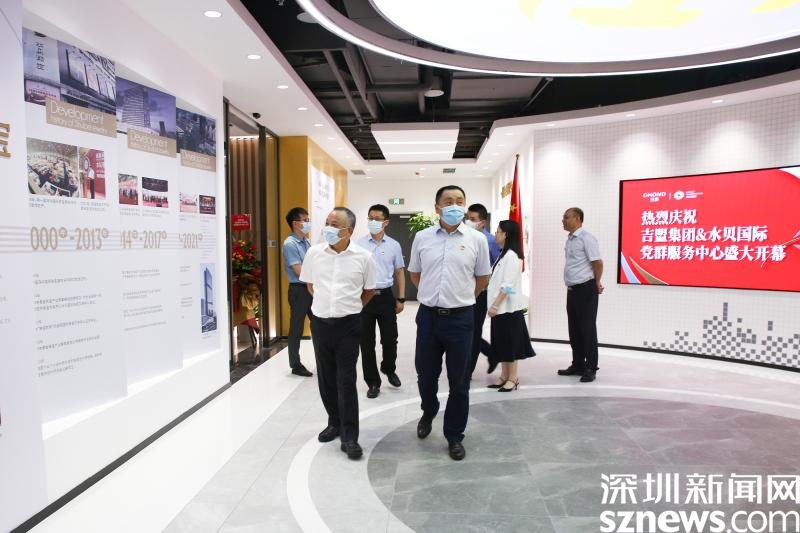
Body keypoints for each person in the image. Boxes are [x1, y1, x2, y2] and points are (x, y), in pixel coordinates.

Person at [408, 185, 491, 461]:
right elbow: (416, 274)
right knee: (425, 374)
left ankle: (454, 435)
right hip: (428, 317)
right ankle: (429, 410)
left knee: (459, 380)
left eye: (459, 201)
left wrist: (462, 298)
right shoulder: (422, 237)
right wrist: (432, 296)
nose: (454, 205)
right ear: (437, 208)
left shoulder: (477, 239)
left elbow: (482, 278)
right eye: (448, 201)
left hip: (461, 319)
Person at [300, 207, 376, 460]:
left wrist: (349, 307)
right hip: (321, 323)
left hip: (349, 326)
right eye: (327, 223)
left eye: (335, 224)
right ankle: (334, 422)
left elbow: (369, 290)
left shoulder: (364, 257)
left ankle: (349, 435)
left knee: (346, 379)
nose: (328, 228)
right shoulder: (314, 253)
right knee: (326, 377)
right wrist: (326, 305)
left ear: (349, 231)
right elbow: (310, 285)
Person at [356, 204, 405, 399]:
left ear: (386, 222)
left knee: (390, 338)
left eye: (377, 219)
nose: (373, 222)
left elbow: (399, 272)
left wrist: (401, 298)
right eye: (370, 218)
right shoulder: (358, 244)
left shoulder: (394, 245)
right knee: (366, 342)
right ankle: (373, 382)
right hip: (365, 297)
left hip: (385, 296)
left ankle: (389, 368)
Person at [486, 220, 535, 391]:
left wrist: (495, 306)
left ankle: (513, 378)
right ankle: (504, 376)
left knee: (510, 344)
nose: (496, 234)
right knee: (502, 343)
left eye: (498, 231)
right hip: (500, 310)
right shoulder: (503, 255)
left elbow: (507, 285)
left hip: (507, 309)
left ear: (506, 234)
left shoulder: (512, 257)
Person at [558, 207, 603, 383]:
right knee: (574, 329)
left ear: (577, 219)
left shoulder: (587, 238)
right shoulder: (570, 239)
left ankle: (591, 367)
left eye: (566, 217)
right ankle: (578, 364)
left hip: (586, 289)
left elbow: (597, 263)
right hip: (572, 290)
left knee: (587, 329)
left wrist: (597, 282)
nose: (563, 220)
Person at [465, 203, 501, 377]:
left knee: (473, 331)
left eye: (472, 219)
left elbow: (497, 266)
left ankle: (468, 371)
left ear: (482, 222)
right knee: (467, 331)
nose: (468, 222)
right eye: (467, 218)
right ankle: (491, 353)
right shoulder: (466, 237)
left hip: (481, 293)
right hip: (465, 292)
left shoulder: (490, 241)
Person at [283, 207, 314, 377]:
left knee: (318, 325)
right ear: (295, 223)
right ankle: (295, 365)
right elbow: (299, 271)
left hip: (311, 288)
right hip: (299, 290)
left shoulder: (307, 242)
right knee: (297, 328)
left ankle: (324, 360)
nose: (308, 223)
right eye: (305, 220)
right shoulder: (290, 244)